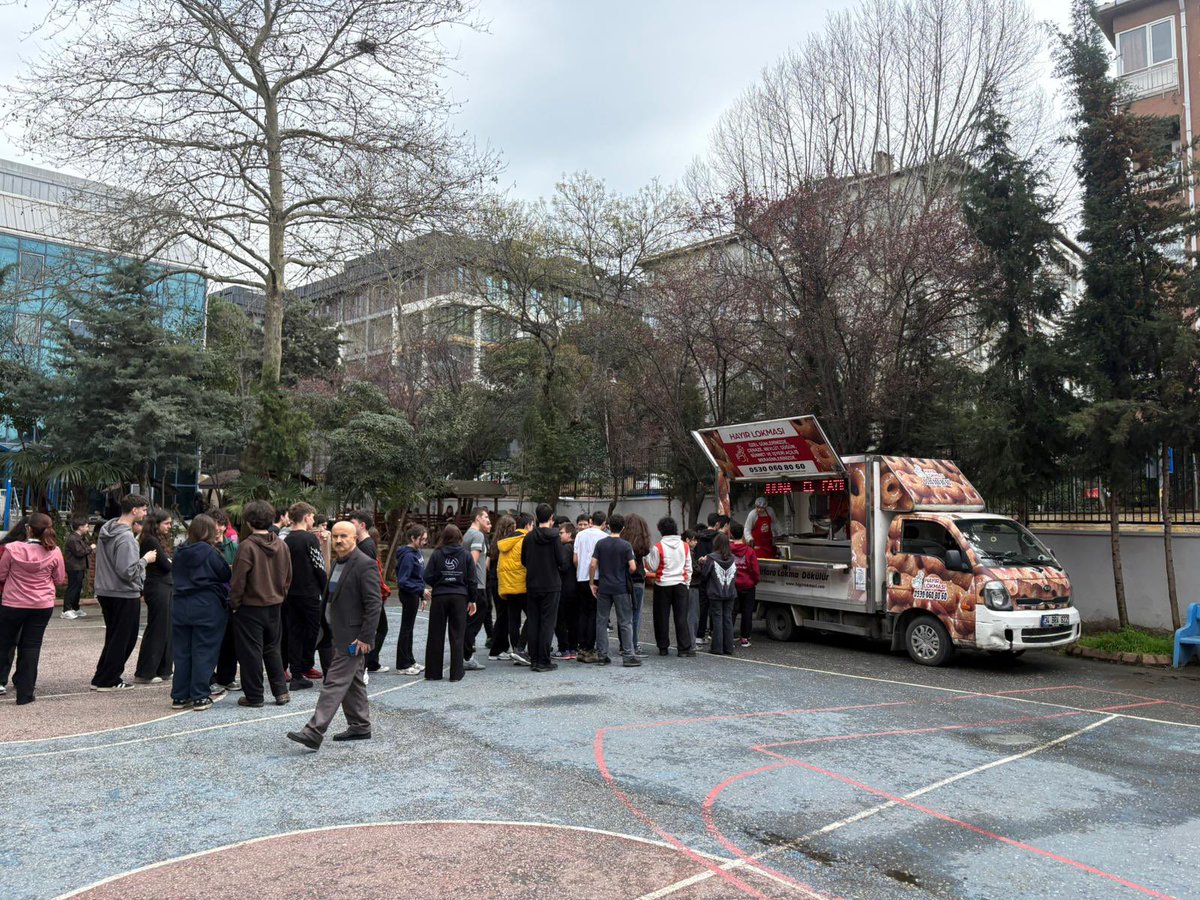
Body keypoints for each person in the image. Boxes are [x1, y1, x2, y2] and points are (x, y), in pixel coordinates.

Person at [287, 521, 382, 750]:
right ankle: (360, 725)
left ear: (354, 538)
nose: (338, 540)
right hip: (338, 634)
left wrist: (365, 638)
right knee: (353, 683)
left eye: (344, 536)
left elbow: (374, 604)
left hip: (353, 639)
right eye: (336, 536)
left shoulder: (364, 564)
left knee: (334, 682)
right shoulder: (338, 562)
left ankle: (313, 731)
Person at [229, 500, 292, 708]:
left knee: (251, 651)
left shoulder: (246, 546)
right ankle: (281, 691)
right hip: (276, 604)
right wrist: (280, 595)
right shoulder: (282, 545)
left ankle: (255, 695)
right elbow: (288, 576)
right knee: (273, 649)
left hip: (250, 606)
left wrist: (235, 603)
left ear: (248, 521)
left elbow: (238, 580)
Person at [91, 494, 156, 692]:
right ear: (134, 510)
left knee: (114, 635)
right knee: (124, 638)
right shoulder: (126, 537)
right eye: (143, 509)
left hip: (105, 589)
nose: (145, 513)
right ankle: (108, 679)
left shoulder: (107, 529)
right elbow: (127, 571)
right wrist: (145, 560)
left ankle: (102, 675)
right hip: (123, 592)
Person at [0, 513, 66, 704]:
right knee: (31, 646)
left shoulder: (12, 549)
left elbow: (2, 574)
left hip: (13, 602)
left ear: (29, 528)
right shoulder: (54, 551)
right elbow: (59, 579)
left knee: (4, 643)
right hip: (41, 604)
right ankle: (25, 693)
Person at [171, 515, 232, 711]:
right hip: (207, 604)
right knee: (204, 650)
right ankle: (199, 695)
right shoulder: (209, 552)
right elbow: (225, 573)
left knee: (182, 652)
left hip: (181, 603)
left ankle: (180, 696)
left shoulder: (180, 551)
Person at [423, 525, 478, 682]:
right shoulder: (466, 555)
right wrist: (472, 599)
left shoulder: (437, 554)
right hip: (459, 597)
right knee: (457, 636)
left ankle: (433, 673)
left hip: (440, 596)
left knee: (435, 635)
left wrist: (439, 583)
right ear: (459, 537)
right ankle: (456, 673)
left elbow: (427, 576)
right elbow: (472, 580)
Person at [282, 502, 327, 690]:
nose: (314, 520)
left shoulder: (285, 540)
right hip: (309, 593)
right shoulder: (309, 539)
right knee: (312, 631)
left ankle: (295, 669)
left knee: (293, 632)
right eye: (313, 517)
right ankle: (303, 667)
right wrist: (325, 587)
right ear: (307, 516)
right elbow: (319, 565)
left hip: (289, 593)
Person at [589, 514, 640, 668]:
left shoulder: (600, 543)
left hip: (604, 586)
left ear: (608, 525)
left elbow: (592, 565)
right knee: (625, 621)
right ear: (623, 528)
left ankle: (602, 655)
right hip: (621, 587)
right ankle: (628, 655)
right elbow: (632, 567)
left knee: (601, 620)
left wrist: (592, 583)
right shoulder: (626, 545)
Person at [134, 509, 174, 683]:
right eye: (166, 523)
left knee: (166, 628)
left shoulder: (156, 540)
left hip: (164, 585)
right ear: (156, 524)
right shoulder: (150, 540)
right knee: (157, 628)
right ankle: (146, 672)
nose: (169, 527)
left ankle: (163, 668)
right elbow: (165, 565)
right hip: (158, 586)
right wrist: (171, 561)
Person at [644, 517, 694, 657]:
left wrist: (647, 559)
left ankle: (663, 647)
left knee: (661, 617)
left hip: (662, 584)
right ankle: (684, 648)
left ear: (661, 530)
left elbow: (653, 566)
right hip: (680, 584)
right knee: (681, 617)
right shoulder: (684, 546)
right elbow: (688, 567)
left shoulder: (658, 547)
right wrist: (687, 583)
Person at [348, 510, 390, 676]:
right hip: (368, 596)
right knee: (371, 630)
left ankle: (367, 663)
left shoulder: (366, 546)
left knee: (376, 629)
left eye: (353, 524)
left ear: (362, 525)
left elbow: (369, 574)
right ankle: (365, 664)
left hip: (369, 595)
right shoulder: (364, 545)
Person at [521, 503, 561, 672]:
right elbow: (561, 560)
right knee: (547, 622)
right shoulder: (555, 537)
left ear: (536, 518)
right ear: (551, 517)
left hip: (533, 583)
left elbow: (523, 560)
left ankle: (534, 658)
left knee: (534, 621)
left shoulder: (529, 537)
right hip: (551, 583)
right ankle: (544, 659)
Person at [209, 508, 240, 693]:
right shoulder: (204, 546)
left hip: (229, 598)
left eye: (221, 524)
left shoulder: (233, 546)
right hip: (212, 599)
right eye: (215, 525)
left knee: (230, 640)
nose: (219, 529)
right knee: (212, 640)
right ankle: (209, 677)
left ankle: (227, 677)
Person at [394, 523, 430, 675]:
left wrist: (422, 594)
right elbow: (403, 580)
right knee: (406, 629)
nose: (424, 542)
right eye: (421, 539)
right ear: (413, 538)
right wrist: (420, 590)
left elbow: (419, 576)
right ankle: (402, 664)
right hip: (408, 594)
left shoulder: (417, 552)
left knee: (409, 629)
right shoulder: (408, 556)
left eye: (425, 539)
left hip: (415, 593)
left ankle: (410, 659)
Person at [496, 513, 531, 666]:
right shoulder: (526, 540)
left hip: (507, 586)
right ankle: (520, 649)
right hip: (522, 585)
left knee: (513, 620)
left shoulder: (505, 541)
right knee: (533, 615)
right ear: (529, 525)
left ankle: (516, 648)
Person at [572, 511, 606, 662]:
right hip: (597, 578)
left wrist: (580, 571)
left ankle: (581, 646)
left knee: (582, 612)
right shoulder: (604, 537)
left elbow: (575, 559)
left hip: (581, 577)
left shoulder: (580, 535)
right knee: (594, 613)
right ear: (604, 523)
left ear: (591, 520)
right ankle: (590, 648)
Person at [461, 507, 492, 672]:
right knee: (475, 618)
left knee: (471, 619)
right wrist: (472, 585)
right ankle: (466, 654)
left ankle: (465, 652)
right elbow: (471, 562)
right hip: (477, 585)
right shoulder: (477, 535)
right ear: (477, 518)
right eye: (485, 516)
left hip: (474, 584)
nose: (487, 520)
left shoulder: (468, 534)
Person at [698, 533, 739, 655]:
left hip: (715, 592)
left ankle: (717, 648)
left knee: (717, 619)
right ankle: (728, 647)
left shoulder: (711, 557)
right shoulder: (733, 558)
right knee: (727, 619)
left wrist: (702, 563)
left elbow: (704, 575)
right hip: (730, 592)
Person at [486, 515, 516, 663]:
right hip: (504, 582)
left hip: (493, 580)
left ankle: (502, 646)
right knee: (504, 616)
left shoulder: (494, 542)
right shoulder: (509, 543)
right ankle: (496, 648)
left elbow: (487, 564)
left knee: (501, 614)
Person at [623, 514, 652, 657]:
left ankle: (624, 644)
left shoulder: (622, 541)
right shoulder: (642, 544)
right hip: (638, 580)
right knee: (636, 614)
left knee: (623, 614)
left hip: (622, 579)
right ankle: (634, 644)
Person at [730, 521, 761, 647]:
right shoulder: (749, 551)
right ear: (743, 535)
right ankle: (745, 638)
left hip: (733, 585)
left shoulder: (728, 550)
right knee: (747, 612)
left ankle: (729, 636)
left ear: (731, 535)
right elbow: (755, 570)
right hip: (748, 585)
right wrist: (754, 581)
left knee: (732, 611)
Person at [692, 514, 721, 644]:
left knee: (703, 606)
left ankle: (699, 635)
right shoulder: (720, 538)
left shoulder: (698, 537)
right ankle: (714, 633)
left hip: (701, 575)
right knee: (716, 605)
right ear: (717, 524)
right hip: (716, 575)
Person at [62, 516, 93, 620]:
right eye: (86, 526)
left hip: (79, 567)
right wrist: (90, 548)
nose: (88, 528)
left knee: (78, 587)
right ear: (80, 527)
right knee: (73, 587)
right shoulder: (73, 538)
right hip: (74, 567)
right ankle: (66, 609)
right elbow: (79, 552)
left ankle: (75, 607)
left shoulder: (79, 538)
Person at [553, 521, 576, 659]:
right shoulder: (575, 547)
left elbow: (563, 566)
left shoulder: (566, 548)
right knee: (572, 619)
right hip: (574, 587)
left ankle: (563, 648)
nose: (559, 535)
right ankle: (573, 648)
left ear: (569, 533)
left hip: (564, 587)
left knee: (560, 619)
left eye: (561, 533)